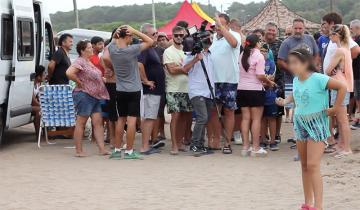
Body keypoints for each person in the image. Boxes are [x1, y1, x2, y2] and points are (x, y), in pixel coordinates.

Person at [276, 48, 346, 210]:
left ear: (306, 63)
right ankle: (308, 203)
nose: (291, 66)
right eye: (290, 63)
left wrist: (335, 109)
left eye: (295, 63)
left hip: (316, 124)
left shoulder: (318, 78)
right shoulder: (295, 80)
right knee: (305, 165)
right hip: (300, 123)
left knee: (313, 165)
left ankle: (319, 206)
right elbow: (295, 94)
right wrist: (285, 101)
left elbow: (341, 87)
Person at [108, 25, 154, 159]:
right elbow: (150, 42)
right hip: (133, 90)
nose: (132, 38)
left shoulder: (112, 49)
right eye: (131, 36)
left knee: (121, 120)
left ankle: (116, 151)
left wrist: (114, 36)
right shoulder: (131, 50)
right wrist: (135, 31)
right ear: (127, 36)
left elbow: (111, 42)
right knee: (132, 121)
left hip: (120, 90)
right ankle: (129, 151)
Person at [66, 40, 110, 157]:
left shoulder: (88, 61)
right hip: (84, 95)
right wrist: (78, 82)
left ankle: (101, 149)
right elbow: (69, 73)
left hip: (95, 95)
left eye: (91, 47)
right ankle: (79, 150)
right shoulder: (80, 61)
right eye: (89, 48)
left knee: (98, 122)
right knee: (81, 122)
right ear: (82, 50)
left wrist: (103, 79)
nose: (92, 49)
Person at [278, 18, 319, 140]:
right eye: (296, 28)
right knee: (297, 107)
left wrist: (314, 67)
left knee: (309, 105)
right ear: (292, 28)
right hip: (292, 80)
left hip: (310, 79)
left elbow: (316, 55)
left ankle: (309, 134)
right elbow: (280, 61)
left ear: (304, 28)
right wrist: (295, 70)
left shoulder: (310, 39)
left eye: (300, 28)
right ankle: (298, 136)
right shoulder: (286, 42)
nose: (298, 30)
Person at [208, 13, 241, 154]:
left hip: (229, 80)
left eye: (221, 24)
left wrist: (223, 29)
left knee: (229, 111)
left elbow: (233, 43)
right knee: (214, 112)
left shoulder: (235, 35)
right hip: (214, 80)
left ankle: (227, 142)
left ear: (227, 25)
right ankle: (216, 140)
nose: (218, 26)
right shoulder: (214, 38)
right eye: (216, 24)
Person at [238, 34, 275, 157]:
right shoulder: (258, 55)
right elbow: (260, 75)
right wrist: (269, 82)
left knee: (245, 118)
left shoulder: (242, 54)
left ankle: (245, 147)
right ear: (257, 43)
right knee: (256, 119)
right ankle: (255, 147)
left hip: (242, 89)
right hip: (254, 89)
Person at [183, 31, 214, 156]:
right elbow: (184, 69)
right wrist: (196, 59)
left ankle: (200, 144)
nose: (211, 40)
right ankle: (195, 144)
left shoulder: (210, 54)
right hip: (196, 91)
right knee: (202, 117)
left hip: (208, 91)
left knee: (205, 119)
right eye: (209, 38)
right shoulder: (190, 55)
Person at [324, 24, 354, 158]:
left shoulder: (340, 51)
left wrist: (331, 69)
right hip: (342, 85)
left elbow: (327, 69)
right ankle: (342, 146)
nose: (330, 37)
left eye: (331, 34)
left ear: (337, 35)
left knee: (342, 119)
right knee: (341, 118)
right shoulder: (345, 49)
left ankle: (346, 148)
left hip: (339, 85)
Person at [163, 26, 193, 155]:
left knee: (185, 118)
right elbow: (171, 70)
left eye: (182, 35)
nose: (179, 37)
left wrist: (181, 68)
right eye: (176, 35)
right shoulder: (168, 52)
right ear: (172, 36)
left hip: (188, 89)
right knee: (175, 117)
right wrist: (185, 68)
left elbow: (191, 69)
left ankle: (180, 142)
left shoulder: (188, 51)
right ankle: (174, 145)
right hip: (173, 89)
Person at [137, 23, 166, 154]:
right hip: (150, 89)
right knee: (149, 117)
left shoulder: (151, 48)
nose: (156, 36)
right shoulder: (145, 48)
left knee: (151, 117)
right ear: (146, 35)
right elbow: (139, 64)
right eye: (154, 34)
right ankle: (144, 146)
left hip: (156, 89)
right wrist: (146, 80)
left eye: (157, 33)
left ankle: (146, 145)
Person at [264, 22, 284, 144]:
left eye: (273, 31)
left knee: (278, 110)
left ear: (276, 32)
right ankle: (265, 134)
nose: (271, 32)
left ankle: (276, 134)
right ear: (265, 30)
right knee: (265, 110)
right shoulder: (260, 44)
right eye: (269, 30)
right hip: (263, 83)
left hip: (279, 82)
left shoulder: (281, 44)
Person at [259, 44, 279, 151]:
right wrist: (264, 80)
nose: (263, 53)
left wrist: (264, 81)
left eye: (265, 51)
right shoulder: (256, 62)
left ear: (268, 52)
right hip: (259, 94)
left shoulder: (271, 63)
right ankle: (262, 140)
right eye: (261, 50)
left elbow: (272, 79)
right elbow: (256, 78)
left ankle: (272, 141)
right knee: (262, 119)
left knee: (271, 118)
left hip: (270, 95)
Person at [101, 29, 118, 147]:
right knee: (113, 115)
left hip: (119, 84)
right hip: (112, 84)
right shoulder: (109, 50)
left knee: (118, 115)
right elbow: (104, 61)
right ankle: (113, 139)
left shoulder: (125, 49)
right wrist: (113, 69)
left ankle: (116, 139)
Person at [350, 19, 360, 127]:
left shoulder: (357, 40)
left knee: (358, 96)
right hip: (357, 71)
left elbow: (355, 55)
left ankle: (358, 119)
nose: (351, 31)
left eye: (352, 29)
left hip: (357, 72)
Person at [32, 65, 46, 137]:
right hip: (30, 105)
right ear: (38, 76)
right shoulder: (31, 84)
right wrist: (42, 106)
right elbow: (33, 100)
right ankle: (38, 134)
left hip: (34, 105)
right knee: (39, 110)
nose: (45, 76)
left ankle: (46, 132)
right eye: (43, 74)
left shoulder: (38, 84)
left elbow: (39, 97)